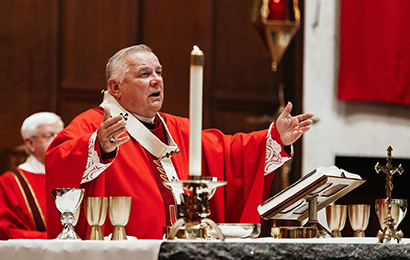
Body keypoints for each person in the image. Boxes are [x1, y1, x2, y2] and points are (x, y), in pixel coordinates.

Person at [45, 45, 313, 239]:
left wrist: (275, 138)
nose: (156, 80)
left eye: (158, 72)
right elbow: (58, 161)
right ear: (115, 88)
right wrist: (98, 147)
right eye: (144, 74)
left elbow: (229, 153)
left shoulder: (178, 128)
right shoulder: (92, 126)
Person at [0, 112, 64, 240]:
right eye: (49, 136)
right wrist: (52, 239)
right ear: (30, 144)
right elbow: (1, 232)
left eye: (61, 135)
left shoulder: (76, 176)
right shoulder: (9, 182)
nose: (58, 140)